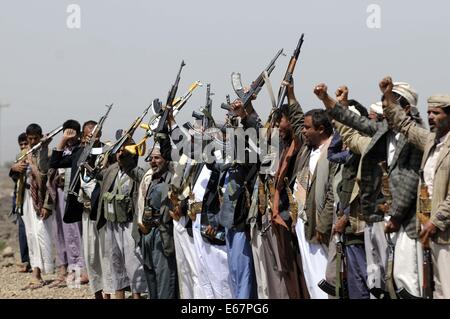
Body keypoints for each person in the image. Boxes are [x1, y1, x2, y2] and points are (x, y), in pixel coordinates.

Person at [314, 82, 425, 298]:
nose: (385, 112)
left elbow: (411, 180)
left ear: (407, 110)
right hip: (383, 218)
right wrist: (326, 99)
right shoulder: (384, 132)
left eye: (390, 106)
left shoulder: (415, 136)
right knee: (386, 280)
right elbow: (353, 123)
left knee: (407, 281)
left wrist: (396, 215)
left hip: (406, 222)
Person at [380, 76, 450, 299]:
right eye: (429, 113)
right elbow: (405, 124)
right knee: (434, 288)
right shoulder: (431, 141)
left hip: (443, 230)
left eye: (437, 113)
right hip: (428, 228)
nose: (431, 117)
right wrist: (389, 96)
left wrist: (435, 221)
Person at [97, 138, 147, 299]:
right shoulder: (111, 170)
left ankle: (137, 295)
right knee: (115, 260)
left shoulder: (138, 171)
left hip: (129, 223)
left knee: (133, 261)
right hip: (112, 222)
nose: (121, 154)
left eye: (124, 150)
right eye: (119, 151)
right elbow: (96, 175)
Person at [10, 123, 54, 289]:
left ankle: (47, 269)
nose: (33, 141)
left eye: (36, 138)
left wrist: (47, 205)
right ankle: (36, 274)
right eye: (30, 139)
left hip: (41, 200)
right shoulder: (23, 154)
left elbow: (47, 180)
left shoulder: (48, 153)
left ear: (41, 137)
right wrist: (15, 168)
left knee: (41, 234)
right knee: (31, 235)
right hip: (26, 198)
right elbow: (16, 177)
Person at [9, 132, 31, 273]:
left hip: (32, 198)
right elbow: (15, 179)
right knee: (22, 231)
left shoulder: (34, 157)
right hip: (20, 198)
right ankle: (25, 261)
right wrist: (13, 168)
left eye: (25, 144)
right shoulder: (19, 159)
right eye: (21, 145)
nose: (23, 147)